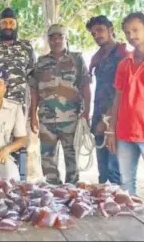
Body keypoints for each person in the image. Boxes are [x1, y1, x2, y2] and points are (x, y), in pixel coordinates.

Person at [107, 12, 144, 208]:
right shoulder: (124, 64)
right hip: (125, 133)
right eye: (127, 32)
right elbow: (117, 100)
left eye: (135, 30)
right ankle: (129, 227)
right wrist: (111, 131)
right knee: (126, 184)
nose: (131, 36)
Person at [30, 24, 91, 185]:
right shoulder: (41, 62)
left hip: (71, 118)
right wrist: (33, 116)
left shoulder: (76, 59)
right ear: (48, 40)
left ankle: (73, 192)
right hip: (46, 120)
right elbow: (34, 90)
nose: (56, 40)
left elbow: (85, 86)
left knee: (72, 158)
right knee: (47, 158)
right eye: (52, 37)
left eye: (60, 37)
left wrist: (86, 112)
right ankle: (53, 191)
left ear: (66, 38)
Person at [86, 15, 127, 185]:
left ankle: (120, 208)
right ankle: (106, 207)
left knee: (115, 171)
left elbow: (122, 92)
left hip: (116, 120)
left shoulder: (123, 54)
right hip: (99, 117)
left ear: (111, 30)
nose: (97, 36)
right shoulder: (99, 56)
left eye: (100, 30)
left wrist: (107, 121)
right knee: (103, 172)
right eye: (93, 33)